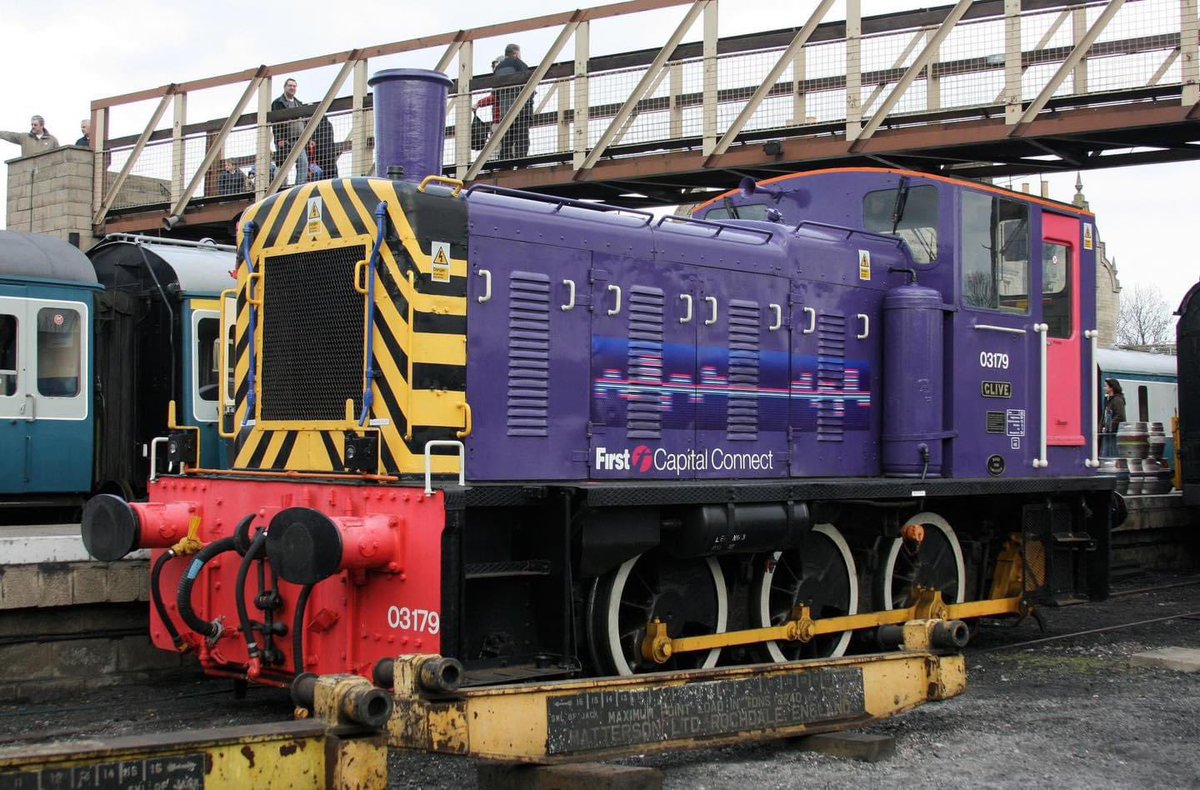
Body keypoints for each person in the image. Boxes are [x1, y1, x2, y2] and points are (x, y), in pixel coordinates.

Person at [492, 43, 533, 160]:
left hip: (505, 110)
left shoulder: (498, 69)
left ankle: (505, 162)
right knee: (522, 138)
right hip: (520, 109)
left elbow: (495, 91)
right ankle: (522, 161)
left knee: (507, 139)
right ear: (515, 53)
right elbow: (529, 84)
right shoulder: (519, 64)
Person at [271, 78, 308, 185]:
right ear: (285, 87)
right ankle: (279, 186)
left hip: (299, 140)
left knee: (303, 163)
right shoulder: (277, 103)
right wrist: (279, 138)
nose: (292, 88)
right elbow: (275, 122)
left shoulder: (298, 103)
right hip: (285, 140)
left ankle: (299, 186)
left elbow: (305, 122)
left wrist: (309, 139)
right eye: (290, 86)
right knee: (283, 165)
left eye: (294, 86)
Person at [1101, 377, 1126, 457]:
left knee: (1111, 454)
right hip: (1108, 433)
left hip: (1114, 434)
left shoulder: (1117, 400)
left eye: (1106, 386)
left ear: (1111, 388)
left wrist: (1108, 427)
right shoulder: (1110, 400)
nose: (1104, 388)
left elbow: (1120, 416)